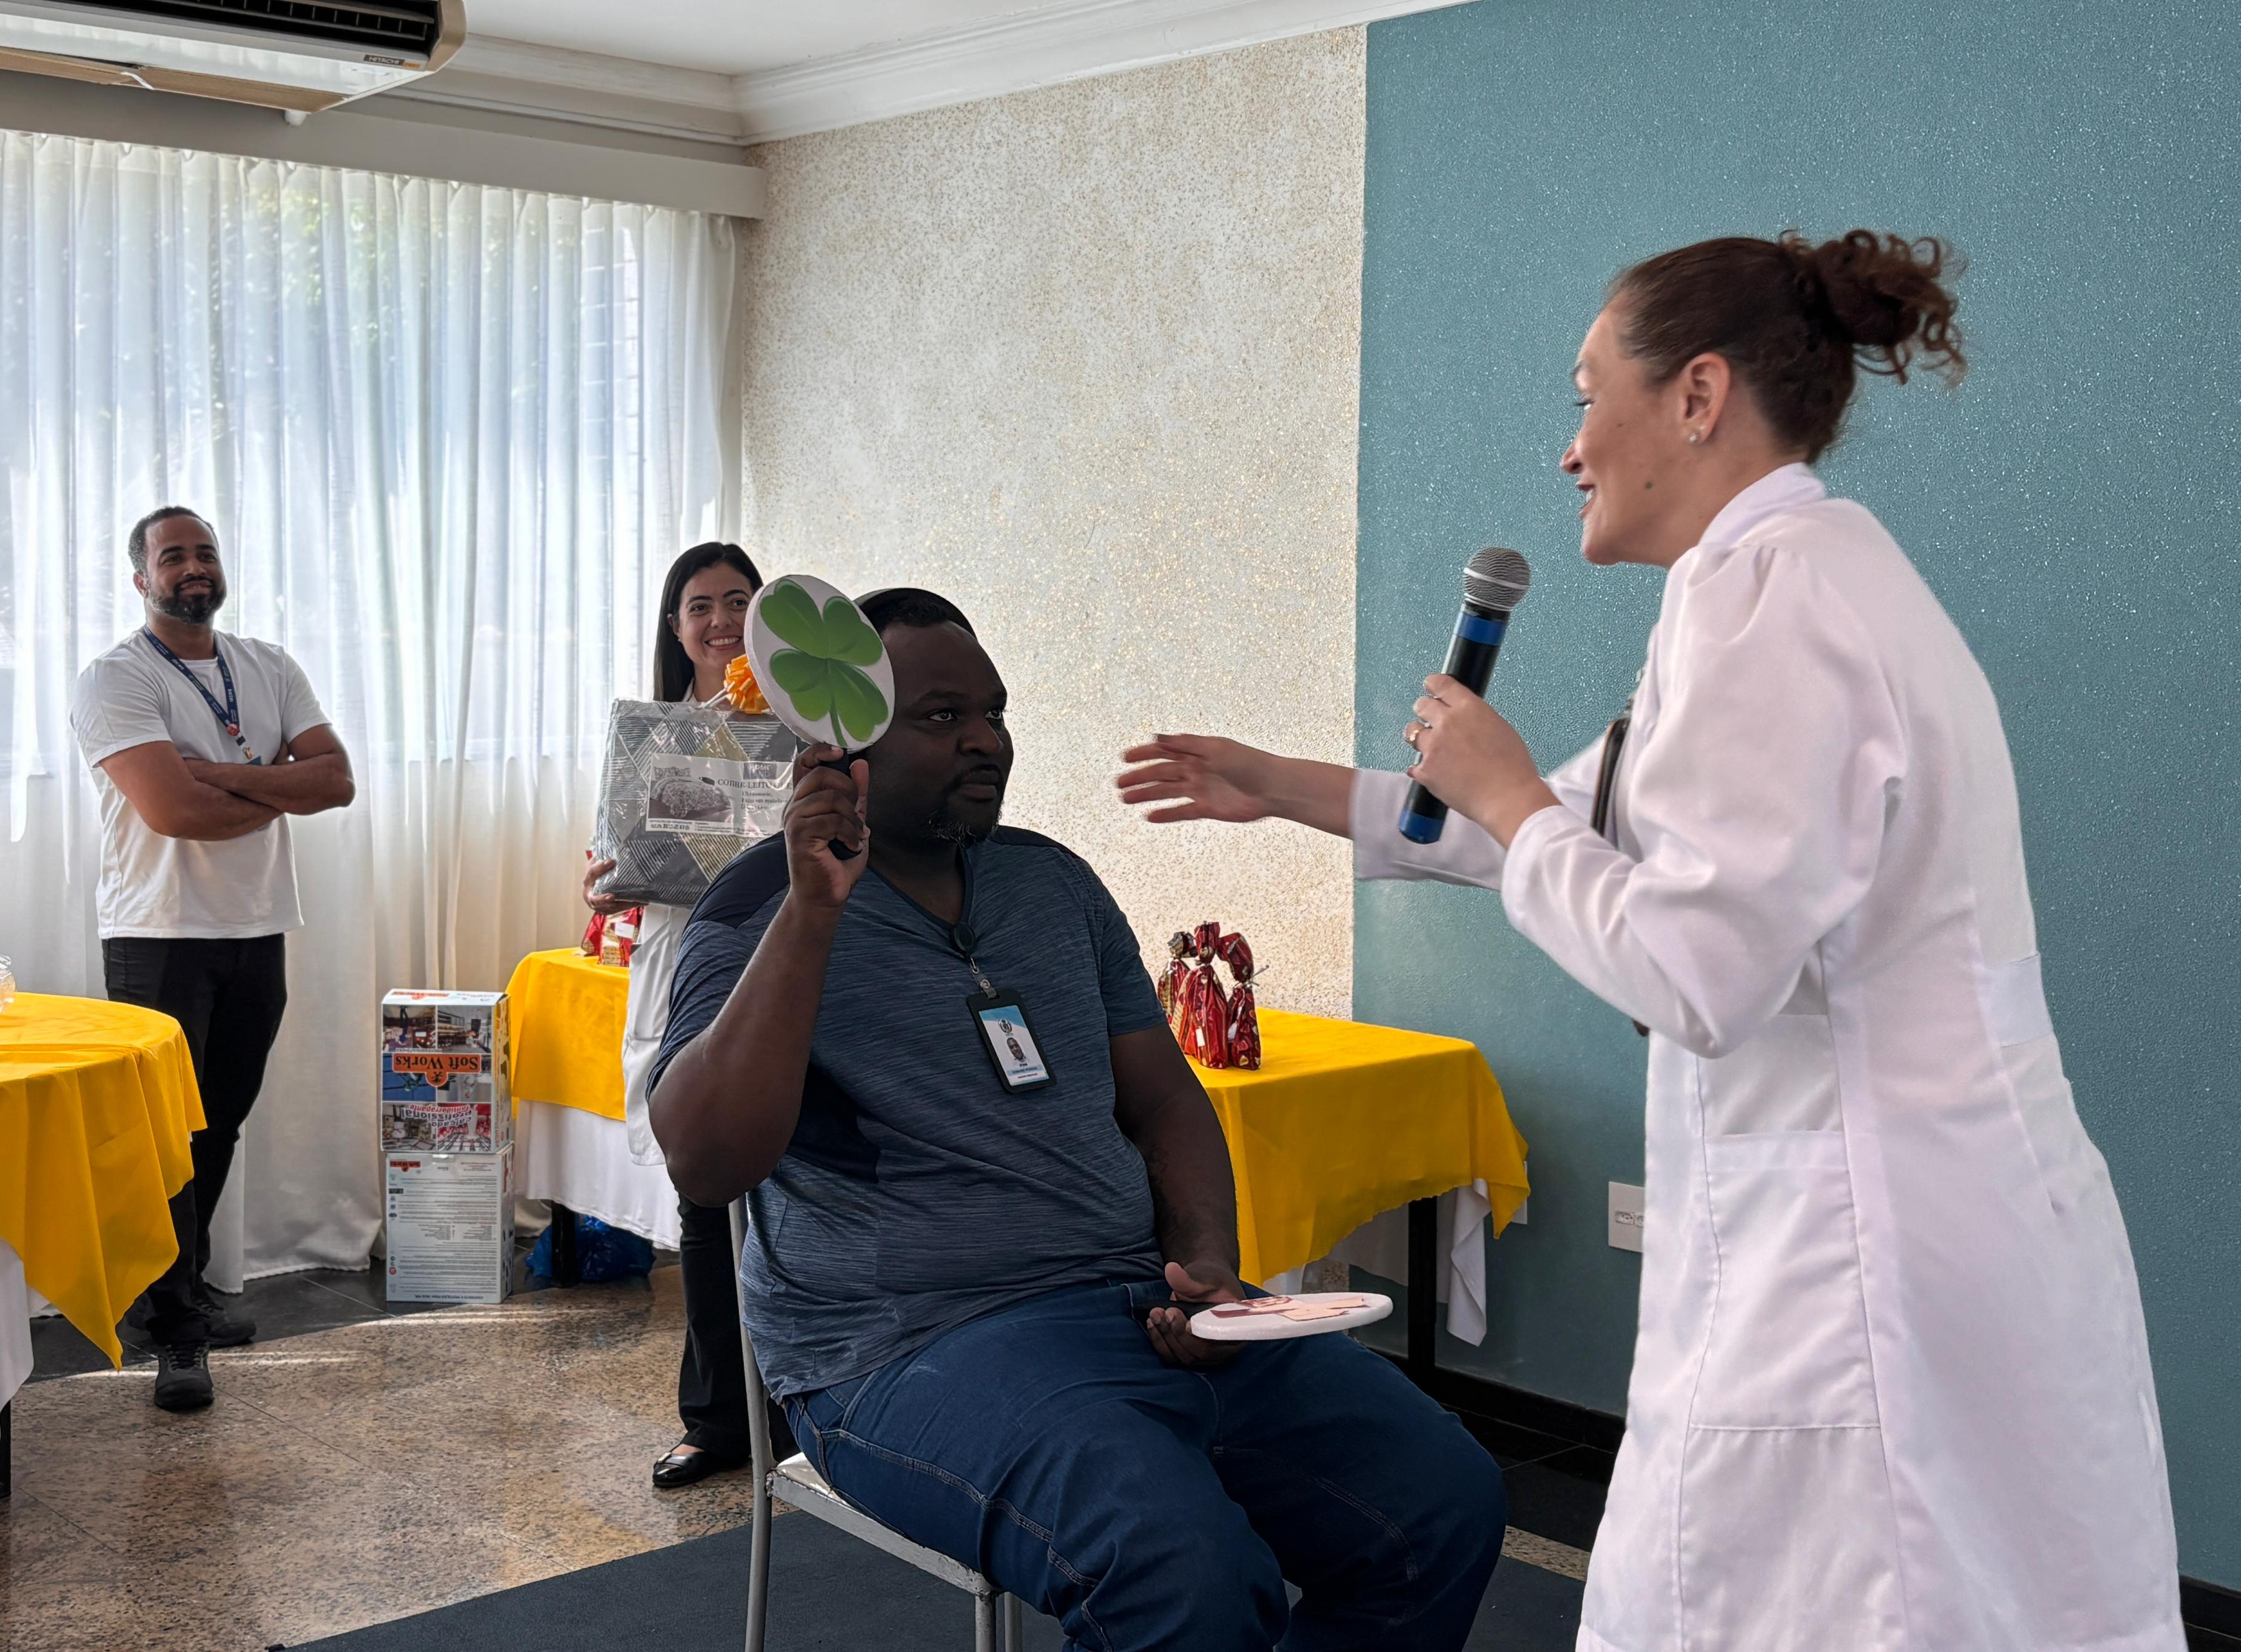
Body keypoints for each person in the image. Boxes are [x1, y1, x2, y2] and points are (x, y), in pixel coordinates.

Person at [1117, 232, 2182, 1652]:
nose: (1569, 451)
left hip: (1860, 1253)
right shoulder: (1788, 581)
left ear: (1696, 395)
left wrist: (1503, 790)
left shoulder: (1776, 607)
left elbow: (1692, 967)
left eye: (1584, 397)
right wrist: (1281, 784)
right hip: (1921, 1224)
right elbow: (1558, 828)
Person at [651, 588, 1505, 1651]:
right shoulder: (759, 907)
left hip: (1139, 1301)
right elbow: (706, 1161)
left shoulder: (1049, 883)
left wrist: (1207, 1266)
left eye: (995, 713)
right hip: (907, 1343)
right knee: (1182, 1576)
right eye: (943, 716)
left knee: (1442, 1501)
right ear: (843, 744)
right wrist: (812, 914)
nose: (987, 740)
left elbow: (1164, 1098)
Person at [72, 508, 354, 1414]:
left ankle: (182, 1297)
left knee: (217, 1128)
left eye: (205, 552)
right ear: (141, 578)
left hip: (257, 926)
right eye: (172, 557)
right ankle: (174, 1333)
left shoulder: (267, 664)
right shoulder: (116, 678)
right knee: (164, 1140)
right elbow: (173, 813)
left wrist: (216, 772)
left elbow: (336, 780)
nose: (192, 567)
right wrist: (275, 783)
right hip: (157, 933)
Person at [580, 541, 792, 1489]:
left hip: (781, 961)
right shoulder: (652, 741)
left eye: (738, 601)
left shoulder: (804, 733)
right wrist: (605, 880)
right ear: (676, 626)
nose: (721, 621)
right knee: (704, 1194)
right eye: (701, 605)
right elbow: (611, 862)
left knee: (791, 1194)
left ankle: (805, 1408)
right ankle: (716, 1422)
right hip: (684, 966)